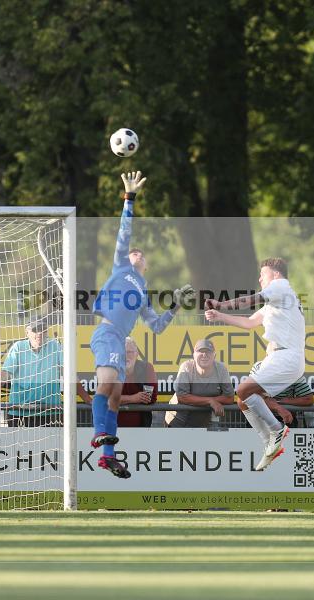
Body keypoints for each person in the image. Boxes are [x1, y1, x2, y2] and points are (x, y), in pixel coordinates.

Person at [89, 171, 195, 478]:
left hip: (120, 341)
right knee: (106, 386)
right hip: (107, 332)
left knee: (114, 399)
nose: (136, 253)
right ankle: (98, 433)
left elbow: (158, 326)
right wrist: (129, 197)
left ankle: (108, 456)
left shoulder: (144, 293)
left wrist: (175, 304)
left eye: (141, 254)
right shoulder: (122, 267)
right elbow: (124, 233)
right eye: (134, 251)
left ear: (146, 266)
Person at [204, 257, 304, 471]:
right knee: (243, 400)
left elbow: (251, 300)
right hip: (281, 357)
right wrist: (221, 315)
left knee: (243, 389)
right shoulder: (277, 300)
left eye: (263, 274)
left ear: (276, 275)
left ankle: (276, 431)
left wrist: (222, 304)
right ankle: (269, 443)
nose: (259, 278)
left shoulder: (280, 287)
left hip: (286, 356)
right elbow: (249, 323)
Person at [0, 318, 68, 427]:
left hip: (50, 412)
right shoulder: (18, 347)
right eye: (35, 330)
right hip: (19, 412)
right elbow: (4, 375)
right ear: (27, 333)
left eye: (43, 329)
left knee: (53, 444)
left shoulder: (55, 346)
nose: (39, 333)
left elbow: (69, 375)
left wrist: (88, 399)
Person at [165, 338, 234, 428]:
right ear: (194, 355)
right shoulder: (186, 367)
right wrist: (210, 401)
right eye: (200, 351)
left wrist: (211, 401)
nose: (204, 355)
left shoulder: (221, 369)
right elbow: (182, 397)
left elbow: (229, 398)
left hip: (202, 423)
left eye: (208, 352)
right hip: (177, 422)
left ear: (214, 355)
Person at [250, 359, 314, 427]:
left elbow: (308, 399)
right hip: (259, 418)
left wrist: (282, 401)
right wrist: (278, 407)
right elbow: (250, 394)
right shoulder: (259, 367)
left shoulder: (294, 370)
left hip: (285, 418)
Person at [117, 337, 157, 428]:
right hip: (112, 426)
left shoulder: (147, 368)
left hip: (141, 427)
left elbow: (150, 397)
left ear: (137, 354)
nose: (125, 356)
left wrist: (120, 399)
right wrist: (133, 398)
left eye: (129, 352)